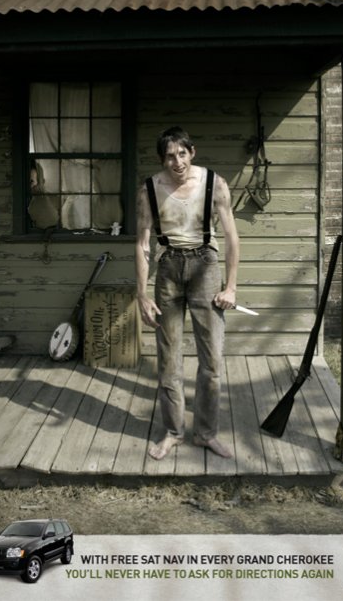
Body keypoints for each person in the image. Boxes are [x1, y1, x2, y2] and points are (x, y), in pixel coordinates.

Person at [135, 127, 240, 460]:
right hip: (168, 270)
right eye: (170, 156)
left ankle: (206, 433)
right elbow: (143, 244)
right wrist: (141, 294)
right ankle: (173, 432)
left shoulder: (214, 184)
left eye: (182, 153)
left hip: (205, 268)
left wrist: (231, 287)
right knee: (169, 361)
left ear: (192, 152)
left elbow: (232, 237)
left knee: (212, 360)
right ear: (162, 159)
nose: (177, 162)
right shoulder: (150, 190)